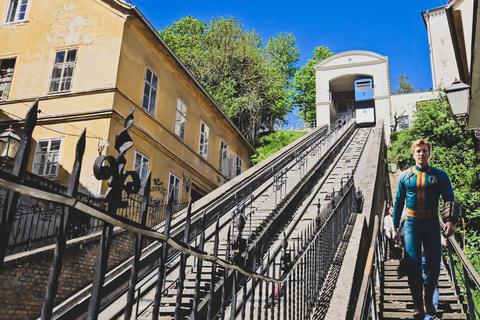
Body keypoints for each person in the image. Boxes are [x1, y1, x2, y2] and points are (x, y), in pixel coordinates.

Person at [393, 139, 455, 319]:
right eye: (418, 151)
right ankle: (418, 306)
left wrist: (450, 221)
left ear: (429, 153)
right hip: (412, 223)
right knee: (412, 263)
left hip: (431, 222)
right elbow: (398, 202)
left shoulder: (440, 176)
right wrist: (396, 226)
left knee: (434, 264)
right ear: (413, 154)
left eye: (425, 151)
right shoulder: (405, 177)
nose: (422, 154)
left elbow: (449, 199)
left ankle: (428, 300)